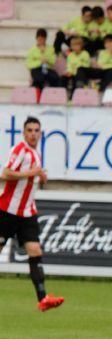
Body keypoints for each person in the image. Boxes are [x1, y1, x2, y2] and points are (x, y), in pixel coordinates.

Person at [0, 117, 65, 312]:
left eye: (37, 130)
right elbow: (4, 173)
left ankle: (43, 298)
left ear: (41, 133)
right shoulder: (20, 150)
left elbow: (30, 178)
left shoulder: (35, 154)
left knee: (35, 251)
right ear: (24, 132)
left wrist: (39, 176)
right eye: (30, 130)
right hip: (8, 211)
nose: (33, 134)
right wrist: (30, 173)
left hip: (27, 212)